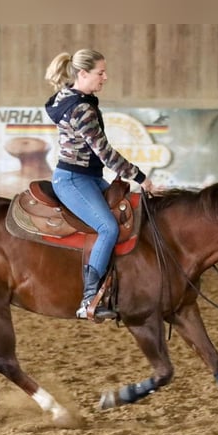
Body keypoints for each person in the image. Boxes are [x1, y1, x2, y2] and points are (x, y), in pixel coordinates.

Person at [44, 49, 153, 321]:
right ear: (82, 74)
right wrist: (141, 178)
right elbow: (105, 153)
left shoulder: (77, 98)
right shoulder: (81, 108)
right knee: (107, 227)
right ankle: (88, 299)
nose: (105, 77)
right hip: (73, 179)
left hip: (89, 177)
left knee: (128, 214)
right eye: (100, 73)